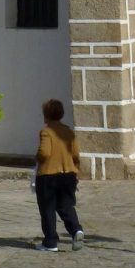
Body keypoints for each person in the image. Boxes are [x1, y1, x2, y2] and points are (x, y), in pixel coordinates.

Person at [33, 98, 85, 252]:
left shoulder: (46, 132)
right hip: (68, 175)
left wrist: (37, 158)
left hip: (48, 175)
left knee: (47, 208)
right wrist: (75, 168)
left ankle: (50, 242)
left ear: (46, 115)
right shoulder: (69, 132)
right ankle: (76, 230)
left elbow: (44, 152)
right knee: (66, 205)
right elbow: (76, 154)